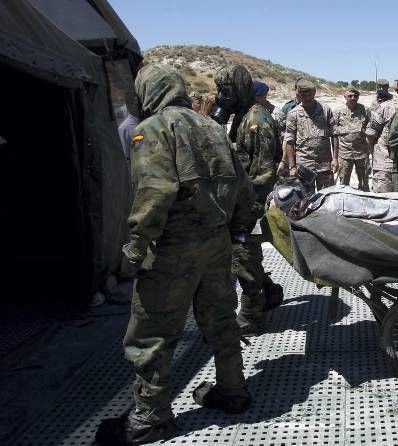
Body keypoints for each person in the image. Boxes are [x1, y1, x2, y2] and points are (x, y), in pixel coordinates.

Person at [95, 64, 252, 445]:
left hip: (172, 248)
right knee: (220, 321)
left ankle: (150, 418)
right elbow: (242, 186)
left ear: (148, 92)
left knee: (151, 334)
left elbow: (154, 191)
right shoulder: (213, 128)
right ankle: (233, 392)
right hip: (215, 243)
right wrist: (235, 232)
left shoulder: (151, 129)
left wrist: (135, 247)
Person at [232, 80, 285, 336]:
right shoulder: (249, 116)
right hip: (247, 199)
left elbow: (264, 170)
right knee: (248, 252)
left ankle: (253, 315)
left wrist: (248, 203)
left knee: (244, 253)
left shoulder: (258, 120)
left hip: (250, 203)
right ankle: (270, 292)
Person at [284, 80, 337, 193]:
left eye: (310, 94)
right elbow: (289, 141)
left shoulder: (325, 110)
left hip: (325, 164)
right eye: (304, 95)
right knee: (305, 201)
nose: (307, 98)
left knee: (327, 198)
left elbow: (334, 135)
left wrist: (335, 158)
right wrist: (292, 166)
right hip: (304, 166)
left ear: (314, 93)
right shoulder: (293, 114)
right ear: (298, 95)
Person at [365, 74, 398, 193]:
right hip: (384, 166)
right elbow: (371, 136)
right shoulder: (385, 108)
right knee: (381, 204)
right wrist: (378, 154)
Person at [334, 87, 370, 191]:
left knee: (364, 184)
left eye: (355, 96)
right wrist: (335, 157)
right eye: (350, 96)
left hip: (362, 153)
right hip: (345, 154)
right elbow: (334, 134)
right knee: (343, 184)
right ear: (345, 97)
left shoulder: (365, 110)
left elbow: (371, 129)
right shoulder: (338, 112)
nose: (353, 98)